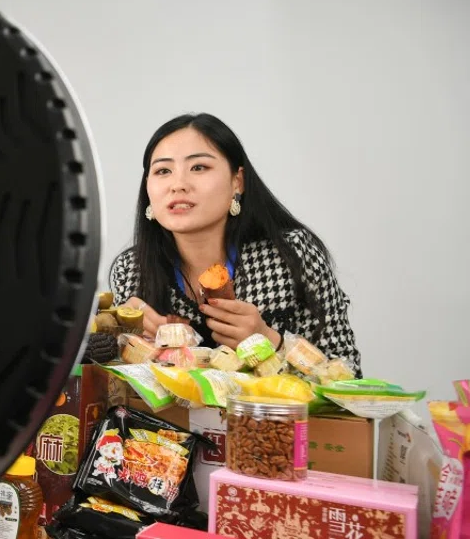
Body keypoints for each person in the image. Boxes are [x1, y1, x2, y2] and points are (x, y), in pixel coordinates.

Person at [109, 113, 361, 374]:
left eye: (199, 167)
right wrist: (120, 337)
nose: (178, 184)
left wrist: (270, 343)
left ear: (237, 182)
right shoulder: (131, 270)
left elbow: (349, 376)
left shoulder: (290, 254)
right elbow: (113, 395)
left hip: (271, 416)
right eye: (163, 171)